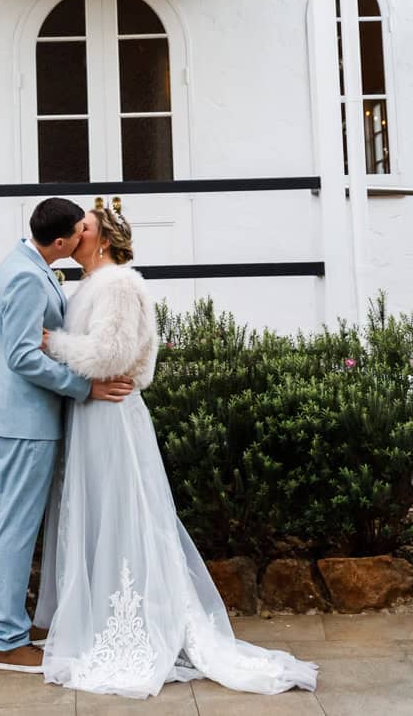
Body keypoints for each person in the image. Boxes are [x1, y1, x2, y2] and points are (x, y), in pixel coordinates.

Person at [34, 202, 318, 699]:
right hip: (92, 413)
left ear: (101, 239)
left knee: (125, 513)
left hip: (112, 417)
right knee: (100, 513)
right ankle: (99, 616)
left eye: (85, 227)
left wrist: (52, 344)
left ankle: (139, 622)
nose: (76, 232)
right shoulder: (89, 287)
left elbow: (113, 355)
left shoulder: (120, 284)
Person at [0, 197, 134, 674]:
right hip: (27, 421)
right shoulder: (27, 276)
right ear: (63, 240)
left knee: (7, 518)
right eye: (78, 234)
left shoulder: (21, 262)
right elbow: (24, 357)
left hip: (15, 419)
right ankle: (6, 640)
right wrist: (83, 388)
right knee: (18, 524)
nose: (81, 241)